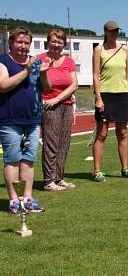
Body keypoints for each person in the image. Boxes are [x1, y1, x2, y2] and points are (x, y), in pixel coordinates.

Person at [0, 27, 49, 213]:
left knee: (29, 160)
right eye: (19, 42)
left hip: (33, 119)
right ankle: (14, 200)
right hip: (9, 120)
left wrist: (43, 73)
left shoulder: (35, 63)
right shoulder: (3, 61)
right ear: (11, 43)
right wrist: (26, 71)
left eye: (26, 43)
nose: (23, 46)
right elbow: (3, 85)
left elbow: (45, 88)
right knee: (12, 160)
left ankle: (27, 198)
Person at [92, 20, 128, 182]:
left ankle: (125, 169)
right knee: (102, 134)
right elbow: (96, 75)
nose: (115, 34)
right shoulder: (99, 50)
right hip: (105, 95)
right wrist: (98, 97)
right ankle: (96, 170)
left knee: (122, 133)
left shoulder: (125, 49)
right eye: (112, 31)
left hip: (122, 94)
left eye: (117, 31)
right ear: (105, 31)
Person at [38, 29, 78, 191]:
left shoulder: (69, 61)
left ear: (64, 44)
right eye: (53, 41)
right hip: (49, 107)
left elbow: (74, 85)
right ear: (48, 42)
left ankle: (59, 177)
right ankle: (48, 180)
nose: (56, 44)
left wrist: (58, 99)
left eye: (60, 42)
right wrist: (52, 100)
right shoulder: (40, 59)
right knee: (51, 143)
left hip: (66, 105)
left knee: (64, 143)